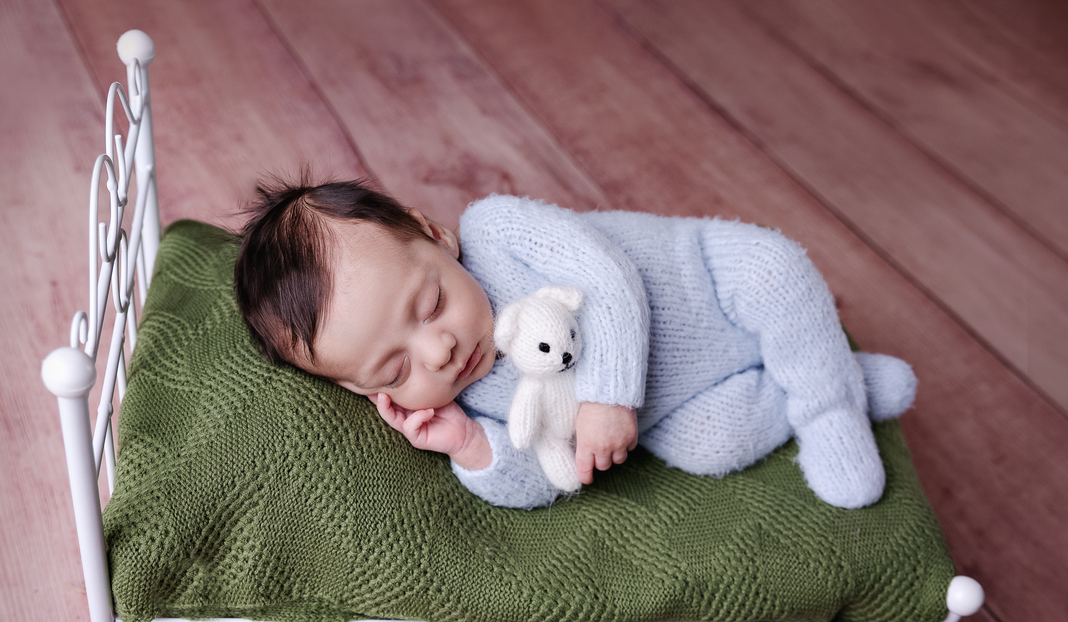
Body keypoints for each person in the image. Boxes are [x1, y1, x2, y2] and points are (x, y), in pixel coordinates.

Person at [234, 178, 916, 510]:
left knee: (777, 274)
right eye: (395, 366)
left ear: (433, 234)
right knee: (713, 444)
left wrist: (611, 395)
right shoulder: (472, 402)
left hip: (711, 278)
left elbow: (609, 276)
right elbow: (546, 475)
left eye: (432, 303)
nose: (438, 350)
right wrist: (471, 447)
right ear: (364, 388)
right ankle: (830, 377)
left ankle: (829, 409)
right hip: (685, 398)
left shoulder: (497, 230)